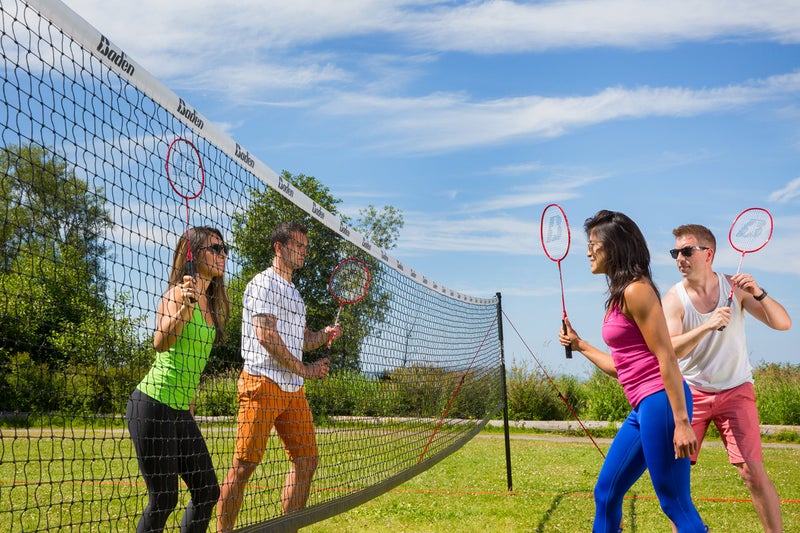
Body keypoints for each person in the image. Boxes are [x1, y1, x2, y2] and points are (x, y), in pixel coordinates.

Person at [558, 210, 707, 533]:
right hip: (644, 407)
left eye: (594, 244)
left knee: (674, 502)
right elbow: (623, 367)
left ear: (614, 246)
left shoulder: (636, 290)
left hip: (663, 403)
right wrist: (580, 344)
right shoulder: (618, 295)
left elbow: (666, 355)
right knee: (607, 493)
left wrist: (682, 423)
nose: (588, 252)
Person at [662, 224, 791, 533]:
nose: (680, 258)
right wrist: (707, 325)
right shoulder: (674, 298)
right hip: (692, 392)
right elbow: (670, 350)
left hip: (736, 390)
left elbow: (783, 323)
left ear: (709, 254)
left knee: (752, 473)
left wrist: (758, 292)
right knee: (676, 477)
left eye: (686, 251)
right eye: (675, 252)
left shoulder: (736, 288)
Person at [216, 221, 341, 533]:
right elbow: (267, 337)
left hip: (292, 390)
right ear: (279, 247)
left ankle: (288, 528)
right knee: (244, 466)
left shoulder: (295, 294)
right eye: (297, 245)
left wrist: (323, 335)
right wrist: (306, 370)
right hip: (261, 382)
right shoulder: (263, 285)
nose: (303, 252)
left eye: (305, 247)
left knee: (307, 461)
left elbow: (300, 339)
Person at [126, 226, 230, 533]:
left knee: (207, 490)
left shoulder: (213, 303)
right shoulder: (176, 295)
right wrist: (185, 308)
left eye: (225, 249)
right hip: (152, 404)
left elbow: (192, 364)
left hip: (180, 410)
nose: (223, 255)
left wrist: (190, 406)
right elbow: (160, 342)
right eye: (215, 249)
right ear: (192, 255)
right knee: (164, 498)